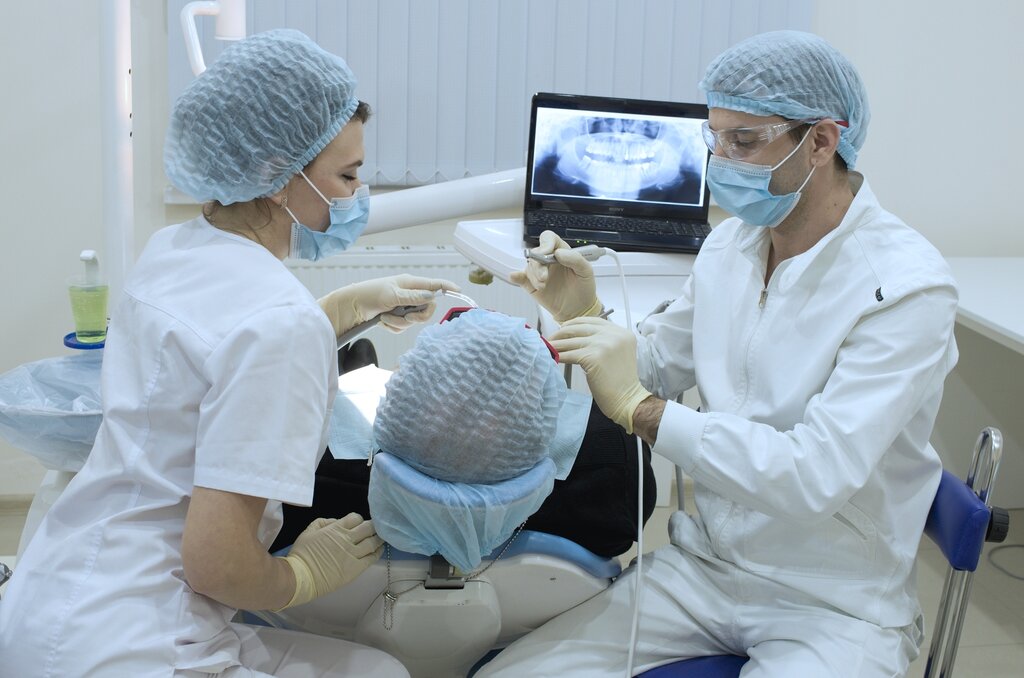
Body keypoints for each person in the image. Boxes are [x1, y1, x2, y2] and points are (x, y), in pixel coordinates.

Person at [478, 30, 959, 677]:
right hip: (704, 570)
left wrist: (645, 412)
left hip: (835, 604)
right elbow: (655, 366)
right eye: (716, 138)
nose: (720, 161)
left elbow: (813, 476)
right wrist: (585, 316)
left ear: (821, 141)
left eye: (745, 142)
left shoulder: (903, 288)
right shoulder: (732, 247)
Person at [0, 29, 459, 676]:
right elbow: (217, 564)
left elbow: (220, 350)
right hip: (134, 647)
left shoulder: (173, 251)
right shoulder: (278, 323)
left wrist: (345, 309)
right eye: (348, 175)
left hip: (51, 598)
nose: (358, 196)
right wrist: (303, 574)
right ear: (277, 175)